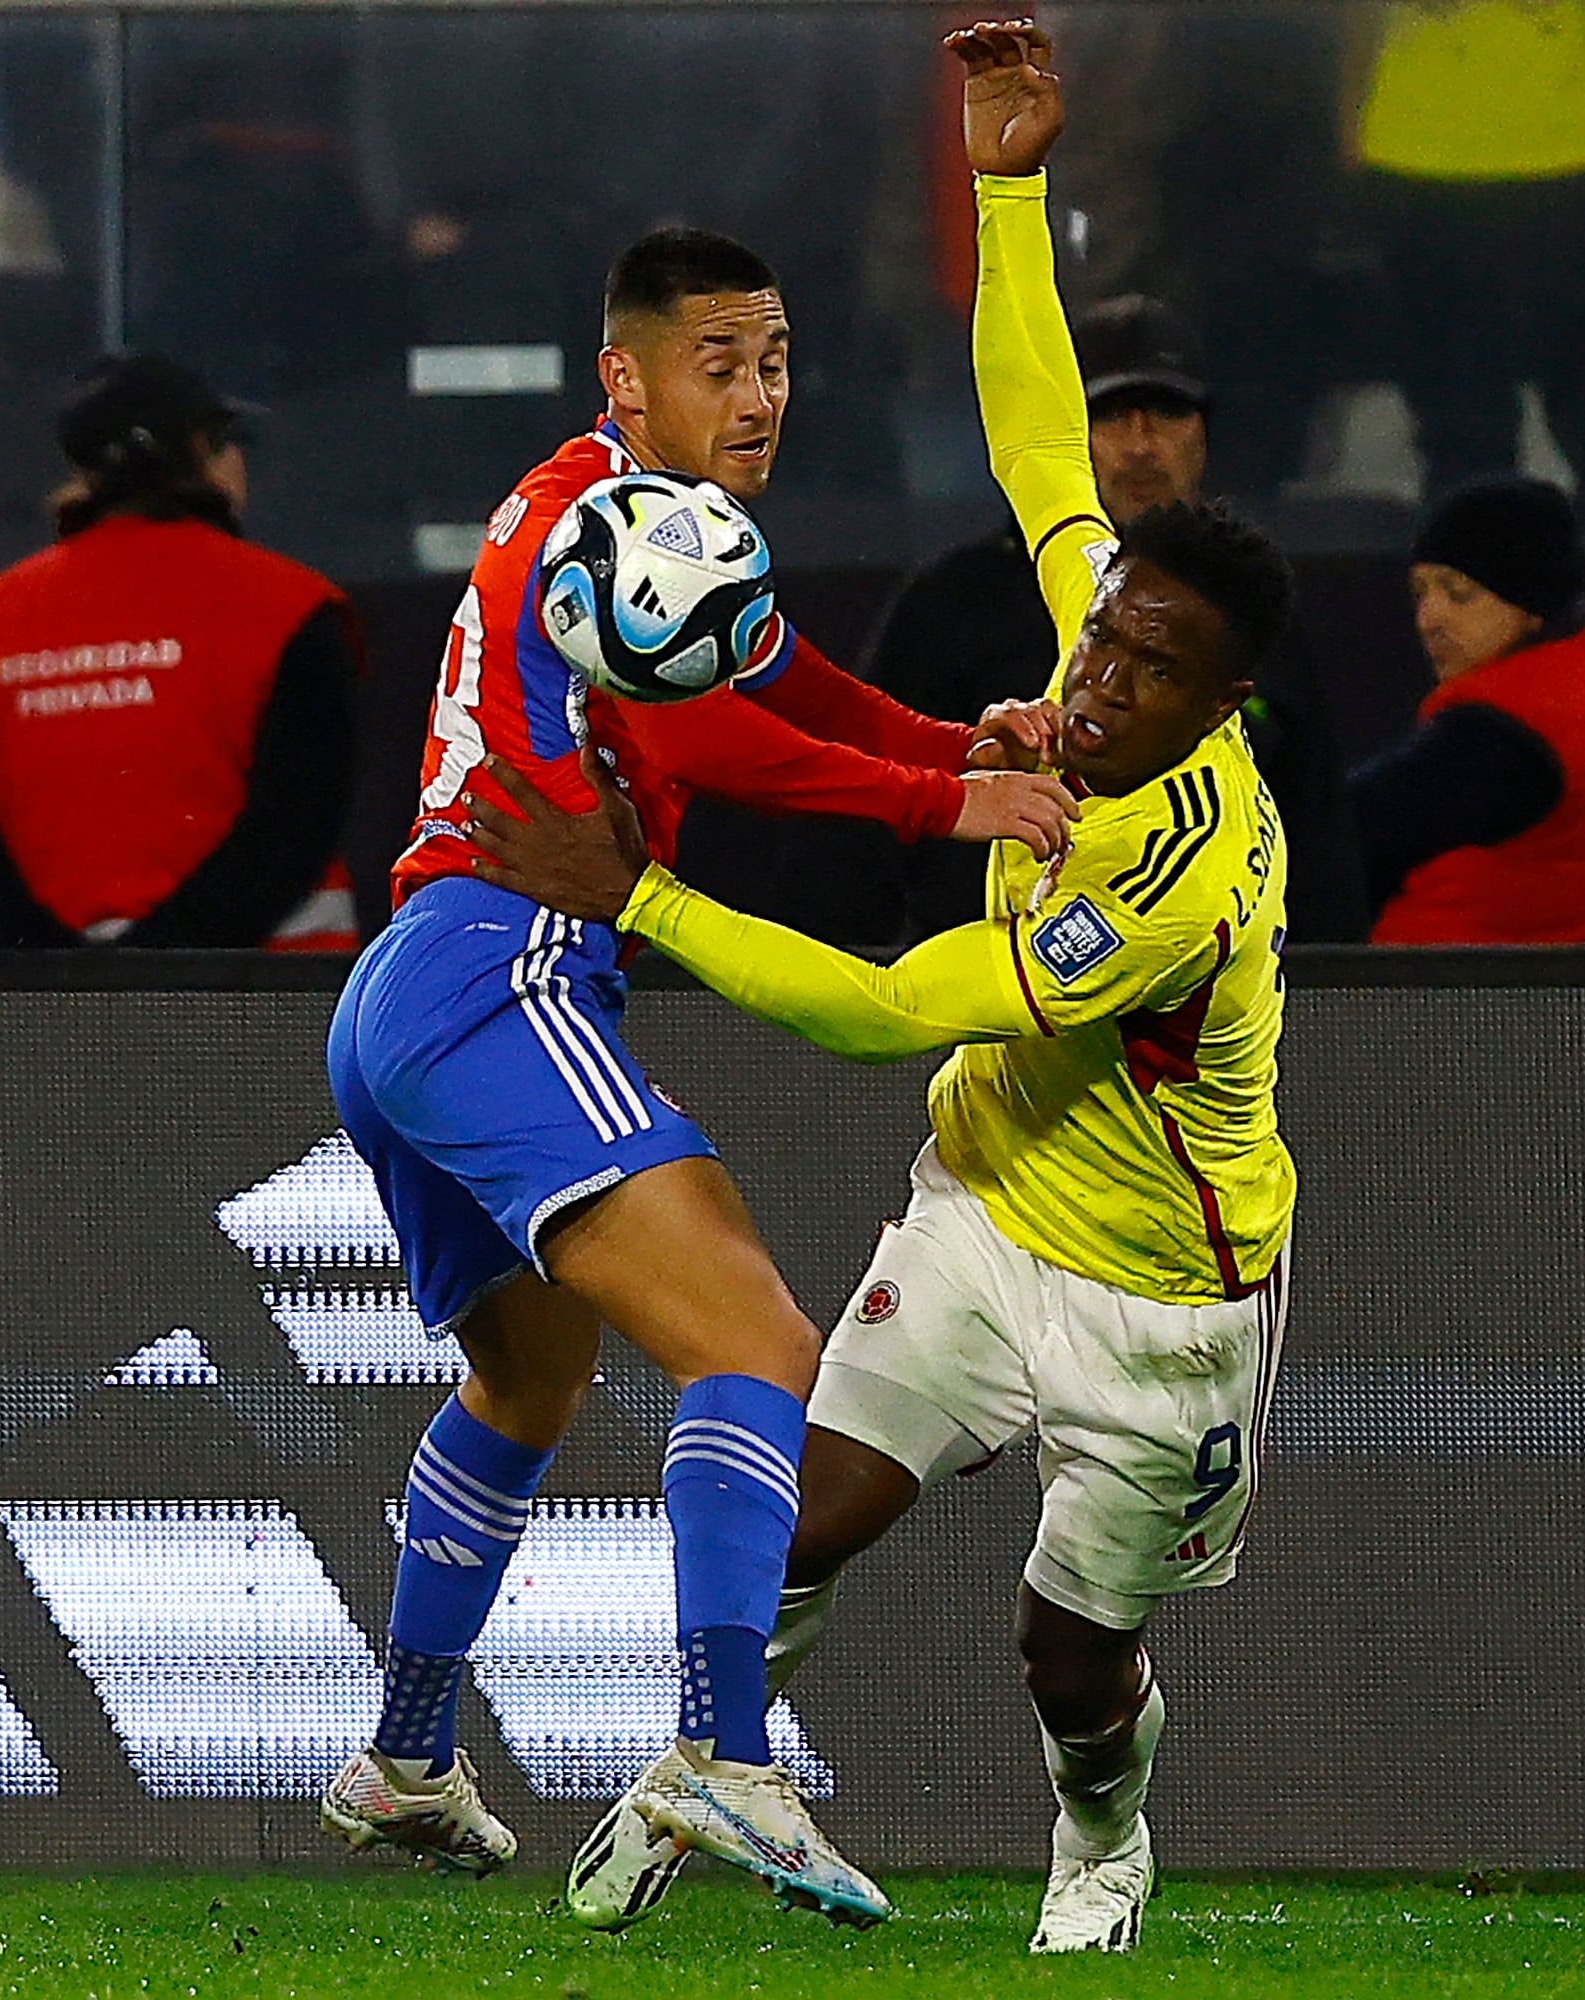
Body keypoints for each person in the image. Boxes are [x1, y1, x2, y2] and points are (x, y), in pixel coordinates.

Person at [483, 23, 1294, 1955]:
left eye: (1147, 680)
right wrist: (1009, 188)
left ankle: (1105, 1840)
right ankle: (712, 1770)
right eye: (1101, 644)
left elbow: (878, 1005)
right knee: (801, 1523)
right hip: (981, 1217)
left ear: (1219, 713)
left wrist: (648, 898)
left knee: (1065, 1660)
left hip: (1161, 1301)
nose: (1097, 684)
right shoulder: (1111, 633)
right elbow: (1040, 435)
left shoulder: (1169, 882)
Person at [316, 222, 1079, 1927]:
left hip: (408, 987)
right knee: (754, 1343)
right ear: (627, 378)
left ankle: (407, 1762)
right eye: (719, 365)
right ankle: (728, 1757)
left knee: (528, 1383)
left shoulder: (626, 522)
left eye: (778, 360)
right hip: (499, 969)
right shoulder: (611, 523)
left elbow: (769, 676)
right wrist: (942, 803)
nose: (757, 398)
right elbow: (705, 736)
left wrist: (949, 736)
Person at [861, 293, 1364, 944]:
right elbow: (868, 809)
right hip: (982, 988)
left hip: (1188, 995)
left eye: (1166, 414)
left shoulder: (1245, 611)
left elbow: (1317, 832)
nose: (1140, 446)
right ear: (1069, 434)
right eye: (1110, 416)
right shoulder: (955, 601)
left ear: (1204, 433)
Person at [0, 354, 362, 951]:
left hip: (53, 1019)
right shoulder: (290, 609)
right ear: (204, 453)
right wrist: (159, 967)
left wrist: (90, 982)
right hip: (275, 1007)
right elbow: (293, 834)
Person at [1342, 0, 1585, 535]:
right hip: (1415, 147)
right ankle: (1473, 579)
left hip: (1575, 147)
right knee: (1456, 432)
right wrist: (1354, 104)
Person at [1349, 475, 1585, 941]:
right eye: (1421, 592)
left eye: (1459, 592)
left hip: (1446, 998)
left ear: (1530, 601)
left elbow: (1341, 832)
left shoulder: (1505, 734)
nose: (1429, 619)